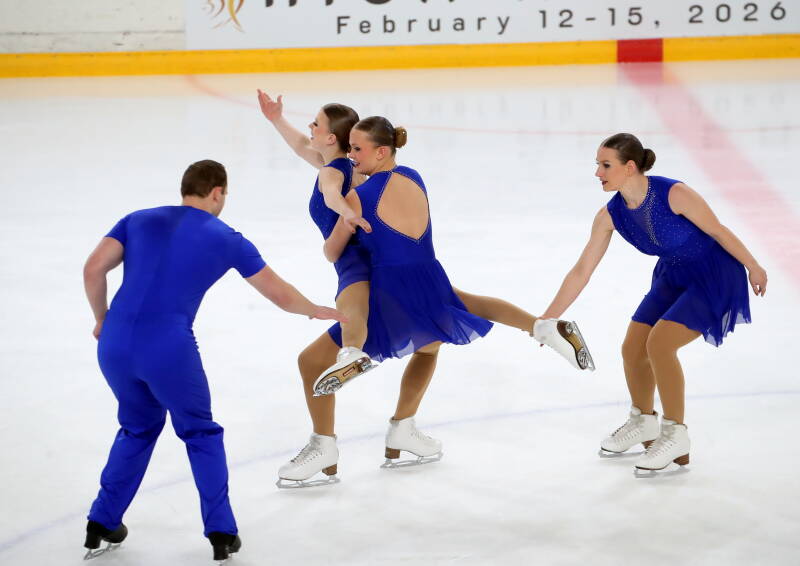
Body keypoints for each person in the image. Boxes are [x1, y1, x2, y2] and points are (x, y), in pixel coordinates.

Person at [276, 117, 593, 485]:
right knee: (439, 334)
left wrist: (345, 220)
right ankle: (541, 327)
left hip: (386, 283)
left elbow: (333, 248)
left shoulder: (356, 193)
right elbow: (315, 154)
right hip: (427, 272)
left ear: (379, 150)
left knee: (312, 360)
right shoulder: (413, 175)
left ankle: (327, 438)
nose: (351, 154)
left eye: (357, 149)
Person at [82, 160, 344, 560]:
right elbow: (278, 294)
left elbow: (93, 268)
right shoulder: (226, 237)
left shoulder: (136, 219)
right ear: (217, 192)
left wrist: (102, 318)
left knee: (136, 428)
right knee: (200, 433)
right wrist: (315, 309)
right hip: (167, 348)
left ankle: (101, 521)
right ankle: (221, 532)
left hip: (115, 345)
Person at [540, 133, 767, 471]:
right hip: (672, 276)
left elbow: (718, 231)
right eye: (597, 165)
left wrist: (754, 266)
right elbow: (582, 271)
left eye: (605, 165)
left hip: (713, 274)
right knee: (632, 348)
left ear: (629, 167)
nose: (598, 173)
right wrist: (548, 318)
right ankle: (643, 421)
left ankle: (676, 434)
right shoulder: (610, 216)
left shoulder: (674, 194)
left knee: (659, 344)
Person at [257, 90, 376, 395]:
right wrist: (276, 118)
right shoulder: (344, 165)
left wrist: (347, 214)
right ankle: (351, 354)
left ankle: (352, 355)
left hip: (351, 252)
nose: (310, 128)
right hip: (356, 249)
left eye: (316, 124)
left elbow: (331, 195)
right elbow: (299, 145)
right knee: (355, 305)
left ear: (331, 139)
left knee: (350, 306)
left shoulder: (332, 172)